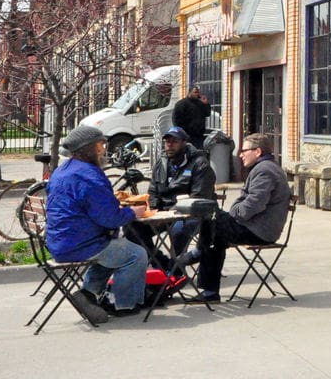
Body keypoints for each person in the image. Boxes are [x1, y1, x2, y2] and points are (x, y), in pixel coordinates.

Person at [45, 124, 149, 322]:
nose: (103, 152)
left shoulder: (62, 170)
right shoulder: (89, 175)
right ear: (87, 150)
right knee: (136, 254)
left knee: (115, 249)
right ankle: (121, 304)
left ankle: (89, 295)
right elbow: (109, 219)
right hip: (81, 244)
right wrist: (132, 212)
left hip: (60, 242)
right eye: (100, 147)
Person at [185, 133, 290, 302]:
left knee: (212, 221)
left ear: (257, 152)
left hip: (259, 231)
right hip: (253, 226)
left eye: (244, 150)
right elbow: (245, 202)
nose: (240, 154)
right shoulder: (263, 168)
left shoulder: (265, 171)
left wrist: (233, 212)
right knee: (214, 233)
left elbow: (252, 206)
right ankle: (209, 290)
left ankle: (197, 257)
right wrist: (235, 210)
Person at [126, 125, 216, 271]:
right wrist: (154, 211)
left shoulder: (200, 164)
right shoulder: (161, 163)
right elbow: (153, 191)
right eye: (167, 142)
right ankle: (162, 264)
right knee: (132, 228)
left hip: (192, 214)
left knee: (178, 230)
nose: (170, 145)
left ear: (184, 143)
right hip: (164, 212)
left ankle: (177, 270)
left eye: (174, 141)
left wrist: (172, 213)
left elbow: (199, 197)